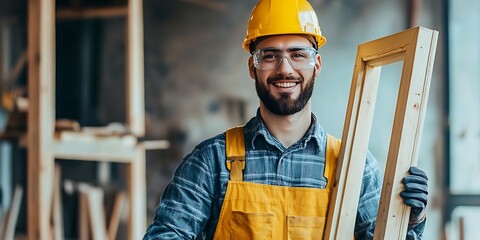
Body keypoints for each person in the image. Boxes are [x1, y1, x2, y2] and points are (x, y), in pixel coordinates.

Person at [144, 0, 428, 239]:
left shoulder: (354, 165)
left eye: (297, 54)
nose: (285, 69)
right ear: (252, 67)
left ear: (316, 65)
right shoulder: (211, 161)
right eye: (269, 56)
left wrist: (410, 220)